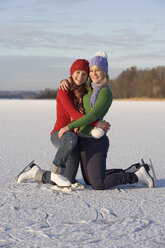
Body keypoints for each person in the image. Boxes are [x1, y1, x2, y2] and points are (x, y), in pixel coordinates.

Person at [58, 51, 156, 189]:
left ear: (104, 71)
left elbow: (92, 116)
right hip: (83, 138)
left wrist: (68, 127)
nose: (93, 73)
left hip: (95, 140)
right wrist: (64, 80)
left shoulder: (104, 92)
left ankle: (135, 176)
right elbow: (75, 82)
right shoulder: (89, 89)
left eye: (97, 70)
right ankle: (135, 169)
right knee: (89, 180)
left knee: (98, 184)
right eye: (91, 70)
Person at [15, 59, 109, 188]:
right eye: (77, 72)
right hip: (60, 133)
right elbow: (74, 114)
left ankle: (35, 173)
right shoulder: (64, 90)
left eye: (84, 74)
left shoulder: (86, 92)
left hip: (74, 138)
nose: (80, 77)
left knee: (68, 180)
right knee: (71, 138)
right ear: (72, 72)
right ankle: (56, 170)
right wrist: (96, 123)